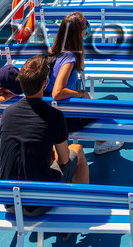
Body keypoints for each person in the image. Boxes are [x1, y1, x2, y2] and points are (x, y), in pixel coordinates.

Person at [0, 55, 89, 228]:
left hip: (8, 201)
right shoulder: (54, 116)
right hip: (38, 203)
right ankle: (78, 214)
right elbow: (64, 160)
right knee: (77, 149)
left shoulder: (7, 113)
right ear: (45, 83)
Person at [49, 11, 121, 153]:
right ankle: (101, 143)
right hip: (65, 119)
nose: (87, 30)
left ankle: (100, 139)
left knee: (94, 103)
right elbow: (57, 93)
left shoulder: (53, 52)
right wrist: (81, 93)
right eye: (85, 27)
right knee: (112, 101)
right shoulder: (69, 58)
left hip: (51, 113)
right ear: (78, 33)